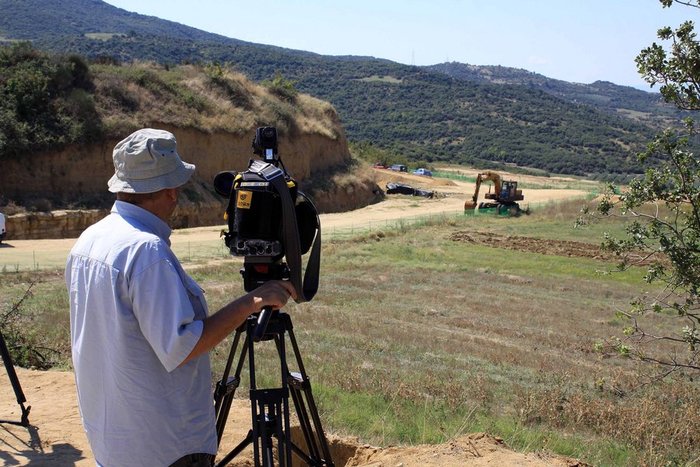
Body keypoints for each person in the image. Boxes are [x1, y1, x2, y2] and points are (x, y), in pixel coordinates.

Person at [65, 128, 296, 467]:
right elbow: (182, 346)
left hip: (115, 438)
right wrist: (254, 302)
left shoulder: (90, 239)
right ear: (170, 191)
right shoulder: (147, 251)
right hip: (163, 443)